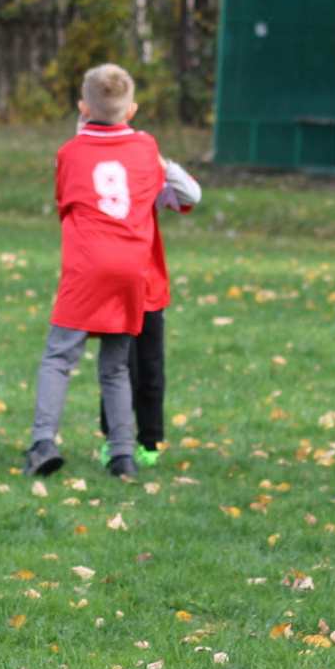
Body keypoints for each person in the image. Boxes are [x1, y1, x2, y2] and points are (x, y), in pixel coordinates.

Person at [24, 63, 182, 483]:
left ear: (82, 106)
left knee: (59, 357)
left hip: (88, 266)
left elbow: (65, 202)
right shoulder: (147, 147)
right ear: (130, 110)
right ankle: (123, 455)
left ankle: (42, 443)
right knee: (115, 366)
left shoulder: (69, 152)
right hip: (134, 267)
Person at [99, 138, 199, 465]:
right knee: (118, 368)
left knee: (151, 368)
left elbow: (191, 195)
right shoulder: (101, 185)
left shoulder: (146, 182)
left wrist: (163, 164)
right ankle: (114, 439)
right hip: (113, 291)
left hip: (150, 291)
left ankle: (150, 442)